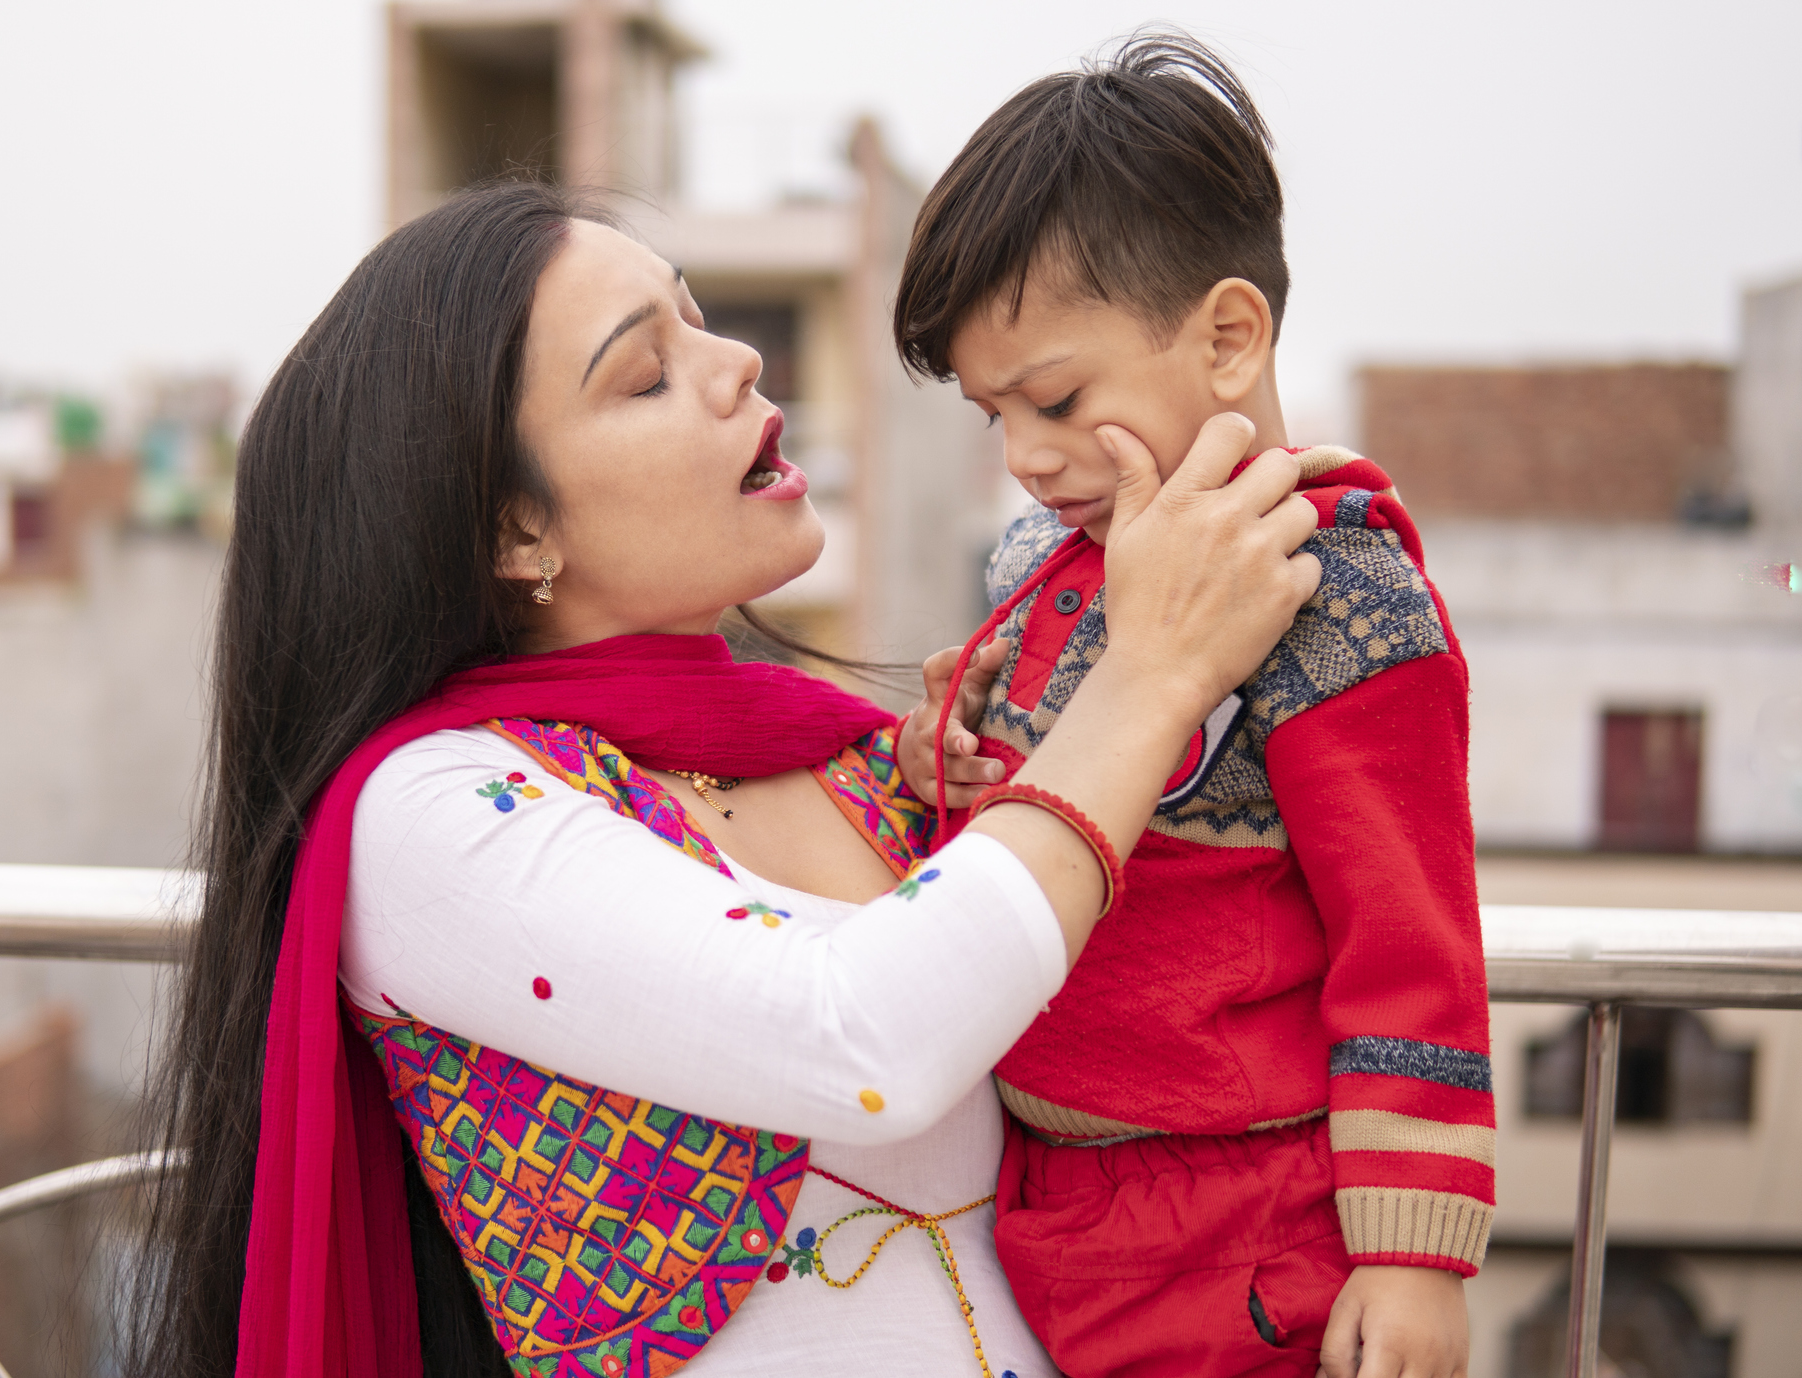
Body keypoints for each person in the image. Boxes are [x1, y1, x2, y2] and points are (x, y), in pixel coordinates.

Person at [130, 179, 1322, 1378]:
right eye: (643, 375)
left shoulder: (858, 759)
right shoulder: (432, 812)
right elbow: (867, 1035)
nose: (739, 361)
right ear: (514, 531)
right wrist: (1150, 677)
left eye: (697, 318)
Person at [890, 35, 1493, 1378]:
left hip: (1243, 1228)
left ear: (1229, 336)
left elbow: (1412, 934)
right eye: (995, 415)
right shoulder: (1034, 568)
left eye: (1056, 400)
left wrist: (1412, 1253)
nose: (1026, 457)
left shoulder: (1340, 595)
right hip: (1041, 1200)